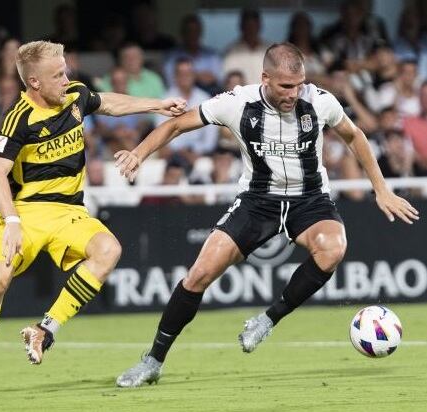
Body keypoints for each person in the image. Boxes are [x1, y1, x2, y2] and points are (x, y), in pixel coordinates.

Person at [114, 43, 419, 388]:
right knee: (198, 275)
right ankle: (153, 360)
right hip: (258, 201)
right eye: (286, 86)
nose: (294, 93)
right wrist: (139, 153)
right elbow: (176, 126)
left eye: (299, 84)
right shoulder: (237, 102)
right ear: (265, 78)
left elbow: (354, 135)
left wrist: (381, 188)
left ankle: (267, 320)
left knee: (334, 248)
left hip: (310, 199)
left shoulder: (319, 101)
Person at [0, 40, 186, 397]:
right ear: (34, 82)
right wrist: (12, 222)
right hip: (26, 213)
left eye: (65, 71)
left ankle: (45, 330)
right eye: (57, 74)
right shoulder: (18, 118)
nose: (66, 79)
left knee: (108, 250)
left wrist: (157, 104)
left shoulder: (74, 96)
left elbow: (108, 102)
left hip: (68, 211)